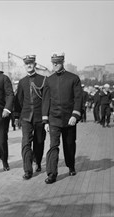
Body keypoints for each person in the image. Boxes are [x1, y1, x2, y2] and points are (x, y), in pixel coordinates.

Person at [42, 52, 82, 184]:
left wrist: (75, 115)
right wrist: (45, 120)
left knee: (69, 145)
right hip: (54, 119)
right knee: (53, 145)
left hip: (69, 119)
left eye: (57, 63)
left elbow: (78, 98)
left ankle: (71, 165)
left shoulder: (73, 78)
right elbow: (46, 100)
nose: (55, 65)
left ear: (63, 62)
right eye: (53, 63)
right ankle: (52, 173)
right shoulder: (49, 80)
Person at [14, 55, 46, 180]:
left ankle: (38, 161)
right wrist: (17, 117)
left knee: (39, 142)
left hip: (39, 117)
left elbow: (46, 99)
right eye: (26, 64)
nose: (29, 65)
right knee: (26, 143)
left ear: (35, 64)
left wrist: (46, 117)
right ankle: (28, 170)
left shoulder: (43, 80)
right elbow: (18, 101)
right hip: (26, 117)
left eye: (31, 63)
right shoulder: (22, 82)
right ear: (24, 65)